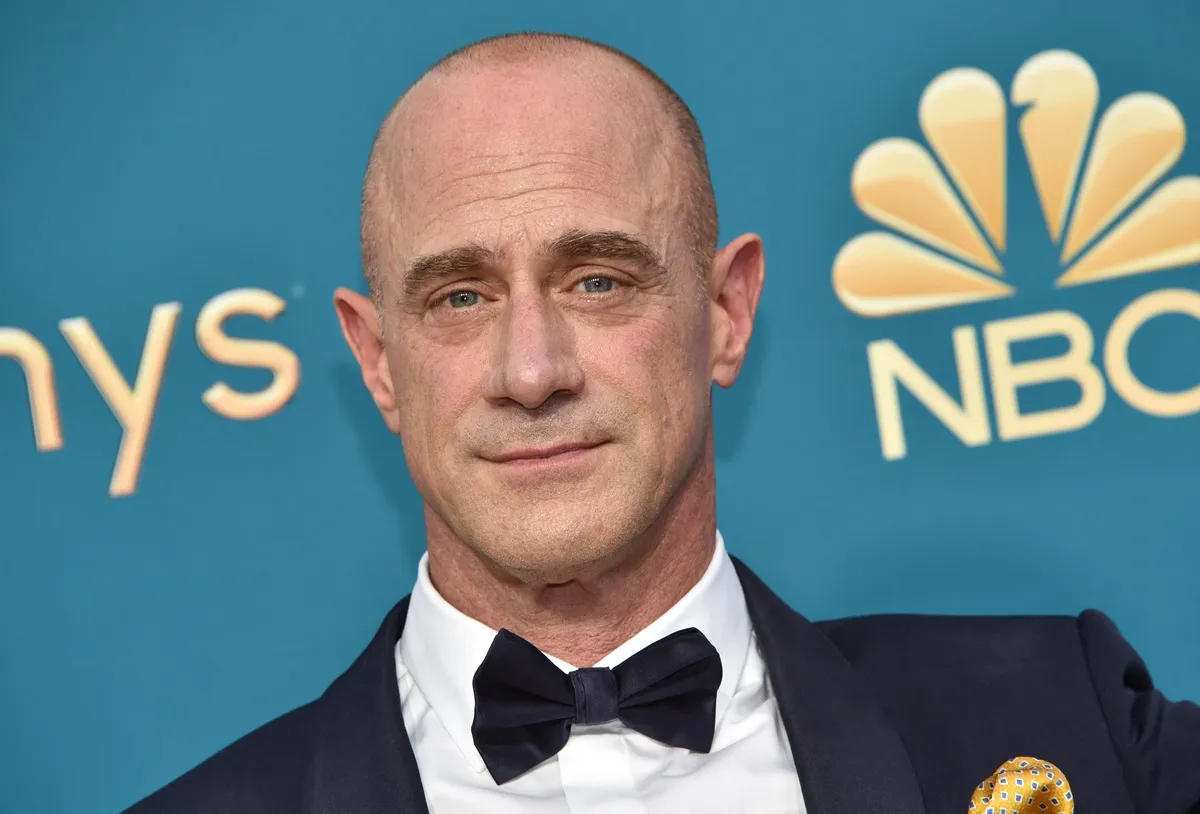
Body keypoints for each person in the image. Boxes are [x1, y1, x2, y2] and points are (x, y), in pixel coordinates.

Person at [123, 32, 1200, 814]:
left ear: (726, 313)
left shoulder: (1067, 719)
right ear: (377, 362)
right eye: (460, 297)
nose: (531, 372)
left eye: (597, 281)